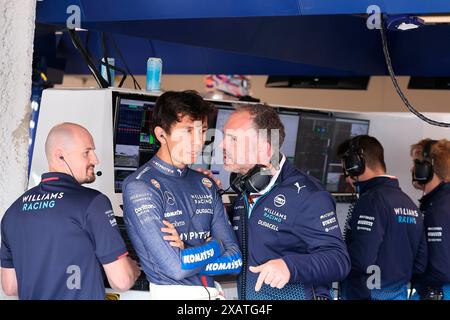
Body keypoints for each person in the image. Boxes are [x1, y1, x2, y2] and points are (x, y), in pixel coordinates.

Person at [220, 104, 350, 300]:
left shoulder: (309, 196)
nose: (222, 145)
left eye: (233, 139)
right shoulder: (245, 189)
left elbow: (339, 261)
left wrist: (290, 267)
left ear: (264, 149)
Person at [122, 91, 242, 300]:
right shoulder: (139, 186)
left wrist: (188, 251)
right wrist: (216, 246)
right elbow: (176, 267)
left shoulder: (205, 183)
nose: (198, 142)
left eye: (202, 131)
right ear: (161, 134)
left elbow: (235, 262)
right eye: (188, 131)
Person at [0, 122, 140, 300]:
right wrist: (132, 268)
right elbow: (122, 281)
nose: (95, 160)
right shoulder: (93, 203)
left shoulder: (12, 213)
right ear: (60, 156)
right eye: (87, 152)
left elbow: (10, 287)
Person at [337, 135, 427, 300]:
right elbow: (420, 265)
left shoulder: (370, 201)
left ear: (357, 164)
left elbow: (361, 259)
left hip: (366, 294)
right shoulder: (410, 204)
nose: (347, 177)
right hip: (398, 294)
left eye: (347, 169)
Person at [410, 139, 450, 300]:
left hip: (437, 292)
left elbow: (440, 269)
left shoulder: (438, 209)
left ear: (426, 169)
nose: (412, 169)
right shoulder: (440, 201)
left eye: (415, 163)